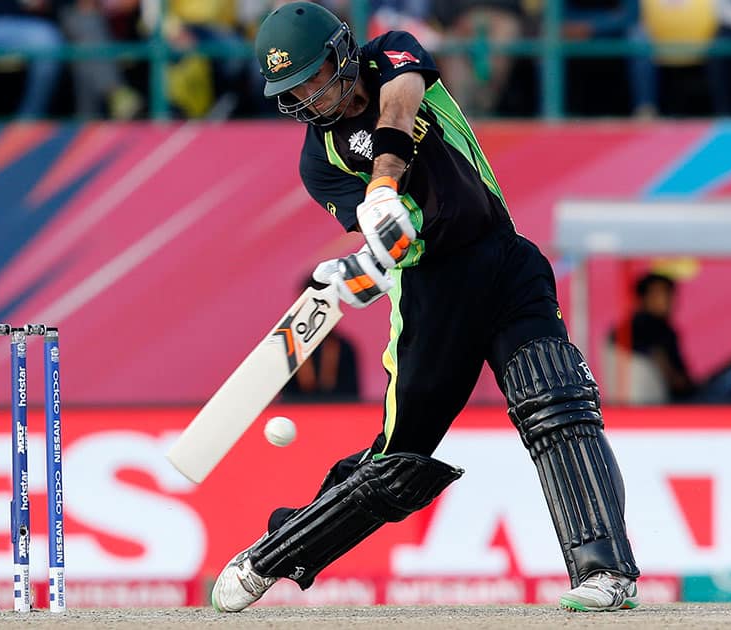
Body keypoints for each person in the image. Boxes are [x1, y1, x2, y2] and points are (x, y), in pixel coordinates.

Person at [211, 1, 640, 614]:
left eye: (312, 76)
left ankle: (606, 572)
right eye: (293, 88)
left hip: (504, 258)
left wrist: (383, 184)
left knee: (558, 403)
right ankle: (273, 555)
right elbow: (401, 239)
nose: (308, 96)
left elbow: (401, 104)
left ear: (341, 52)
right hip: (432, 292)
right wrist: (368, 263)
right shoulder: (319, 162)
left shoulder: (393, 55)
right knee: (398, 462)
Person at [609, 272, 695, 403]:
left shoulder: (623, 332)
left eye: (669, 294)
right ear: (643, 298)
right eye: (659, 294)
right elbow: (676, 379)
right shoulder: (648, 331)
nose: (667, 300)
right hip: (655, 410)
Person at [281, 274, 362, 402]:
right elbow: (285, 397)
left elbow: (352, 397)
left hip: (337, 416)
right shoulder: (288, 347)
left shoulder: (344, 348)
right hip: (297, 415)